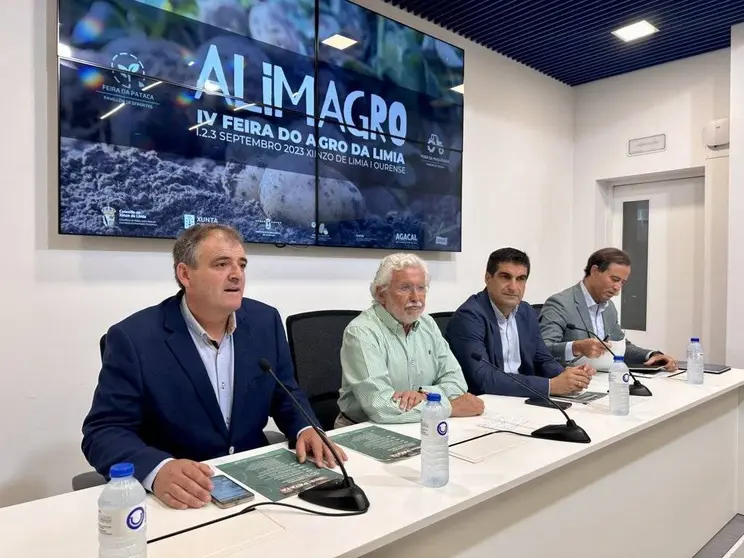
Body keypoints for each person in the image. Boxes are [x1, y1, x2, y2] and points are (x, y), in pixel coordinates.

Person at [82, 224, 346, 510]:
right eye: (221, 264)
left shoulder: (265, 322)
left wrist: (305, 428)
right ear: (185, 275)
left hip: (257, 487)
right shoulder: (134, 338)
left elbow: (285, 393)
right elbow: (104, 432)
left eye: (241, 264)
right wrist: (156, 470)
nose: (237, 274)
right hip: (183, 497)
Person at [336, 253, 484, 427]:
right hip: (366, 429)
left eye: (421, 288)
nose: (416, 297)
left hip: (418, 424)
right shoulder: (361, 332)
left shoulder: (427, 323)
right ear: (380, 293)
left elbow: (457, 383)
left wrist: (425, 394)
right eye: (405, 288)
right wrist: (448, 407)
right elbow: (380, 407)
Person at [446, 248, 595, 398]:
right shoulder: (469, 317)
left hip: (523, 397)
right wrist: (550, 386)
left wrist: (569, 377)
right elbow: (483, 379)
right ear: (488, 278)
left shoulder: (525, 312)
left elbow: (542, 359)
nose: (513, 287)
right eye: (505, 277)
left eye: (520, 279)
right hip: (487, 402)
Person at [539, 247, 677, 370]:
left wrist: (652, 355)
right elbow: (542, 350)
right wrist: (576, 347)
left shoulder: (609, 307)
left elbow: (620, 348)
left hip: (603, 381)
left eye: (622, 282)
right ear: (594, 271)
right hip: (570, 382)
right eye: (614, 279)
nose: (618, 287)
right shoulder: (560, 303)